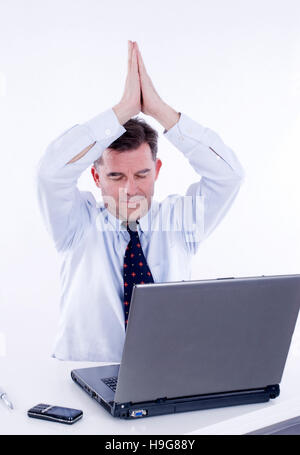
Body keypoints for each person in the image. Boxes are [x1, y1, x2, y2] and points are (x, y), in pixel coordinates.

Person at [36, 41, 245, 362]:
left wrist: (159, 110)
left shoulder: (181, 223)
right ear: (96, 178)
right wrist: (122, 110)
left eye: (142, 175)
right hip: (81, 376)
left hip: (164, 375)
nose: (130, 190)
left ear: (158, 170)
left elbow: (229, 175)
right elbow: (51, 173)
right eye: (117, 176)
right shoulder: (76, 224)